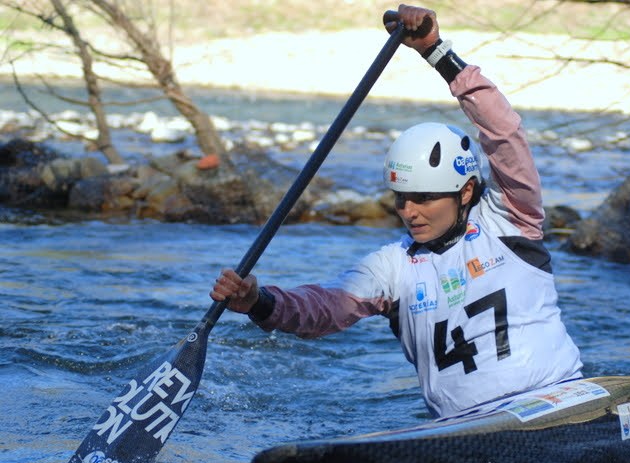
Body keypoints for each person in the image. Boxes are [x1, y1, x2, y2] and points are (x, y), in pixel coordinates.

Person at [210, 4, 583, 418]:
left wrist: (435, 51)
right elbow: (325, 307)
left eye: (423, 198)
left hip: (556, 403)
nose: (409, 212)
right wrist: (260, 302)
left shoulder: (511, 218)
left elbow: (504, 134)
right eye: (400, 199)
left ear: (466, 192)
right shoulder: (393, 267)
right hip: (465, 430)